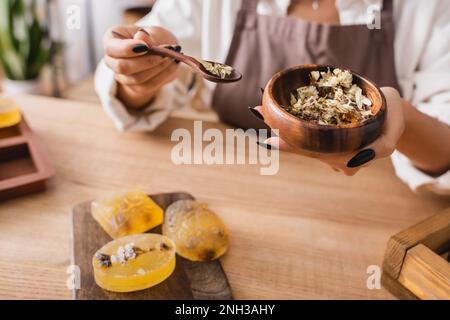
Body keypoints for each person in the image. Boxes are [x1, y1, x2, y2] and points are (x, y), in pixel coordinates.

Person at [95, 0, 450, 195]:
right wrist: (139, 76)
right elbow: (135, 95)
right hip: (236, 189)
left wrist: (402, 117)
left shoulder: (427, 8)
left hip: (371, 204)